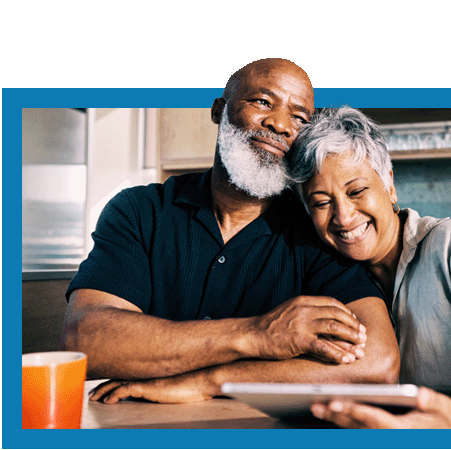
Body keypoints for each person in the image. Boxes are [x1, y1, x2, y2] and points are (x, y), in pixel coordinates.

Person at [61, 59, 399, 404]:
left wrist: (212, 380)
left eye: (299, 117)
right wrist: (257, 334)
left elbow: (378, 363)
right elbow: (85, 340)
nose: (280, 124)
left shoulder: (316, 230)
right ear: (219, 110)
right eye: (263, 102)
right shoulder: (140, 211)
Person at [287, 106, 451, 428]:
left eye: (357, 191)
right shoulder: (334, 282)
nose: (344, 217)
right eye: (322, 203)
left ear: (389, 185)